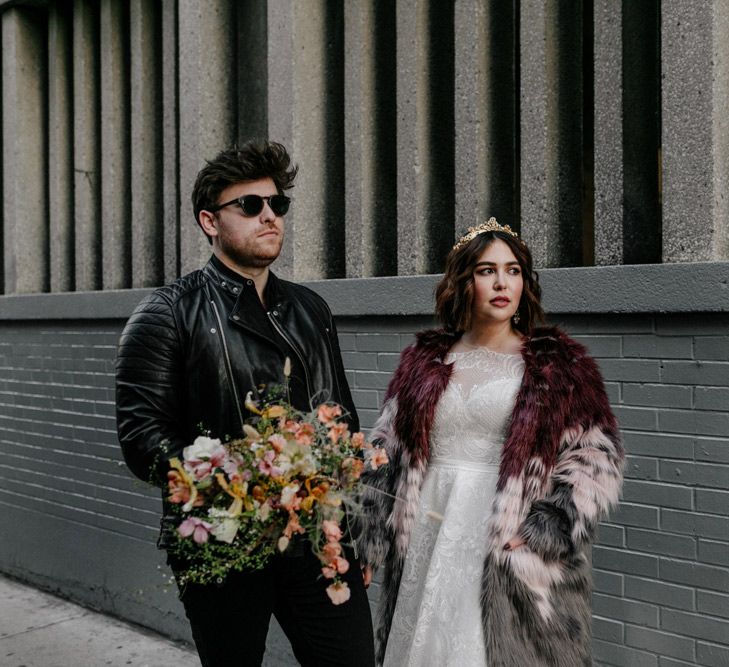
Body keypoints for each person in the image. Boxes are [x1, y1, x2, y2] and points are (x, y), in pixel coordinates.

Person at [116, 140, 374, 667]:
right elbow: (142, 441)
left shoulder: (310, 308)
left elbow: (341, 420)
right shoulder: (167, 313)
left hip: (315, 542)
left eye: (276, 205)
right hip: (224, 542)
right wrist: (247, 478)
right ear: (210, 221)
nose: (268, 216)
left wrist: (353, 535)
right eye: (250, 206)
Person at [358, 218, 624, 666]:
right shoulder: (424, 362)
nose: (503, 282)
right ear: (464, 281)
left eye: (513, 270)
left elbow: (596, 454)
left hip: (503, 537)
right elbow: (386, 448)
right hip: (429, 524)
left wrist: (553, 521)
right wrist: (369, 535)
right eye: (487, 271)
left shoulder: (557, 366)